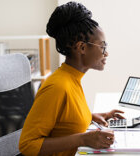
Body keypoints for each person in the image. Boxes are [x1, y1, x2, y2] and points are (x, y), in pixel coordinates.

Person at [19, 2, 124, 155]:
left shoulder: (72, 78)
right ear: (82, 47)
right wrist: (82, 139)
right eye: (102, 46)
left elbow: (65, 121)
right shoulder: (57, 87)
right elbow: (27, 145)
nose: (106, 53)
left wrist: (92, 117)